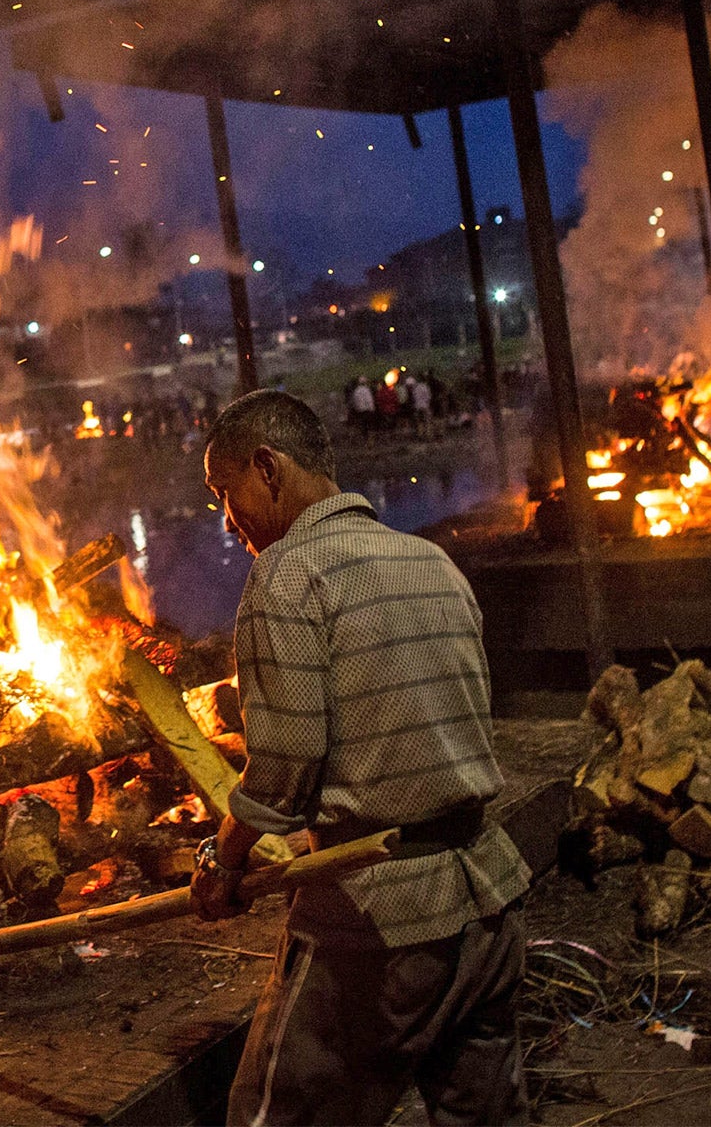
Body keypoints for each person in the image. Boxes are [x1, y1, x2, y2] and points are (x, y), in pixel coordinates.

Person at [193, 391, 531, 1126]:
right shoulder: (432, 563)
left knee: (275, 1118)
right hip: (489, 906)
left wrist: (223, 862)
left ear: (267, 468)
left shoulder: (288, 576)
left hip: (378, 920)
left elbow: (282, 771)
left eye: (226, 493)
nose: (227, 520)